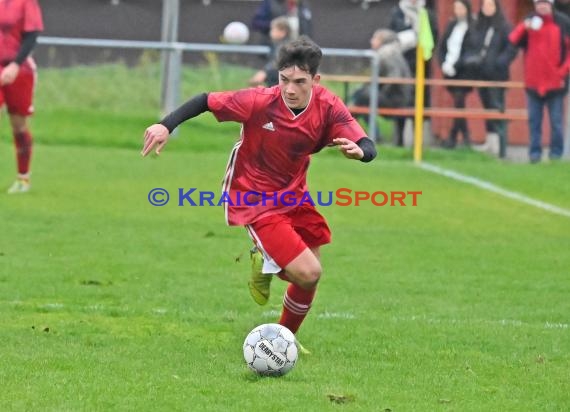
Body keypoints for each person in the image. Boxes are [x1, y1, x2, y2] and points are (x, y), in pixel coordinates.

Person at [141, 37, 376, 344]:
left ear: (315, 81)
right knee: (307, 272)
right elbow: (205, 100)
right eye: (284, 80)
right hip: (253, 197)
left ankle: (282, 342)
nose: (290, 89)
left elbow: (366, 144)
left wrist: (360, 153)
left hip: (294, 195)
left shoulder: (328, 106)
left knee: (310, 273)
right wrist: (165, 125)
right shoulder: (259, 101)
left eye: (299, 82)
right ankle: (266, 263)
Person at [509, 0, 570, 163]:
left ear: (551, 5)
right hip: (533, 82)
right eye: (538, 4)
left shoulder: (563, 23)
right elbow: (513, 40)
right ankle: (534, 154)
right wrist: (524, 27)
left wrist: (562, 72)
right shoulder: (529, 21)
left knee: (556, 122)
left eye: (544, 4)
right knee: (534, 121)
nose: (541, 7)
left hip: (556, 83)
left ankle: (556, 154)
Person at [461, 0, 517, 158]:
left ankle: (501, 146)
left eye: (490, 5)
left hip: (497, 76)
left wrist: (500, 62)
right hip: (481, 73)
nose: (487, 8)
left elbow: (511, 48)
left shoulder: (504, 26)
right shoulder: (478, 25)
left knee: (497, 109)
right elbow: (471, 45)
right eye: (485, 5)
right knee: (487, 108)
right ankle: (491, 142)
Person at [0, 0, 44, 194]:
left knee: (18, 126)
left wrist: (16, 65)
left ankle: (23, 178)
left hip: (18, 70)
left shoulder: (25, 2)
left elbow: (32, 35)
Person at [350, 29, 413, 145]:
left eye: (375, 38)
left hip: (396, 99)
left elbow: (395, 78)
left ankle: (353, 133)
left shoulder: (387, 54)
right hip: (400, 98)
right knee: (361, 97)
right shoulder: (391, 52)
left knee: (361, 97)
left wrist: (380, 91)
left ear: (382, 41)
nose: (371, 41)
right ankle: (363, 134)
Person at [438, 0, 475, 149]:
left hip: (464, 73)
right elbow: (442, 46)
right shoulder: (452, 25)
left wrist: (455, 65)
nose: (458, 11)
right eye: (456, 8)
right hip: (450, 72)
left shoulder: (472, 26)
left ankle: (455, 137)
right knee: (458, 105)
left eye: (460, 8)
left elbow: (470, 50)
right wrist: (443, 64)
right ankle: (463, 138)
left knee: (459, 103)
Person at [249, 16, 291, 87]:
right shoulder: (277, 45)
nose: (270, 32)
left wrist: (265, 73)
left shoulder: (285, 46)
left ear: (282, 32)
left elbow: (278, 62)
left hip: (287, 79)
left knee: (272, 75)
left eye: (273, 29)